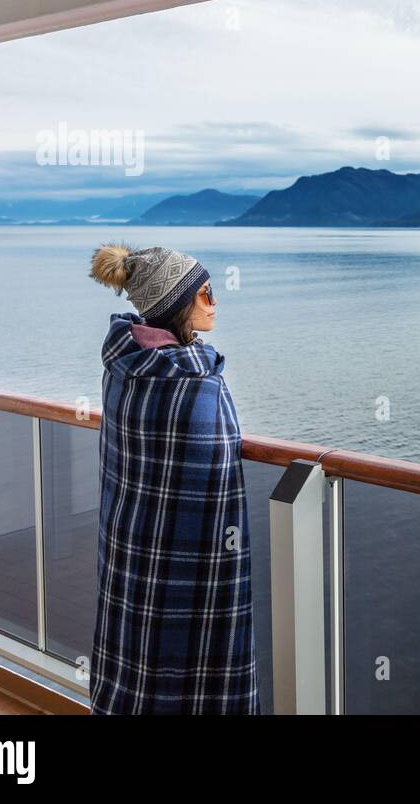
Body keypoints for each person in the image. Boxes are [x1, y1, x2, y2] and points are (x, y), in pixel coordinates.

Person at [87, 242, 259, 714]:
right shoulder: (193, 385)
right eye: (206, 293)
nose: (215, 302)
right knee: (197, 665)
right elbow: (218, 471)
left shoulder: (124, 366)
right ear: (178, 302)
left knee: (136, 659)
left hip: (131, 547)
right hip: (190, 563)